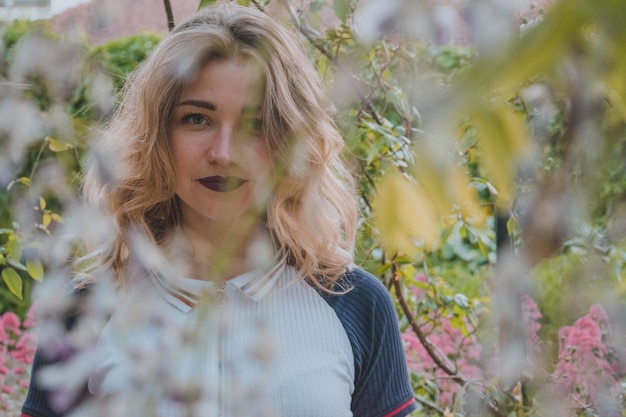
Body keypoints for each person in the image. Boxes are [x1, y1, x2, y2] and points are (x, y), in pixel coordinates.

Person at [22, 3, 417, 417]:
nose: (224, 153)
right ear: (157, 134)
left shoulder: (353, 303)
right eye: (196, 118)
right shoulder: (85, 311)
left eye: (255, 124)